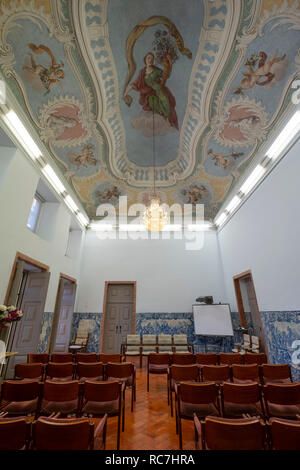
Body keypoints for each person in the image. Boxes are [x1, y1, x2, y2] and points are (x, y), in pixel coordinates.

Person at [128, 52, 178, 130]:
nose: (150, 60)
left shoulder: (156, 70)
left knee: (164, 100)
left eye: (152, 58)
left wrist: (170, 63)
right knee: (152, 103)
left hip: (159, 89)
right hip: (150, 93)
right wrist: (125, 93)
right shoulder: (142, 72)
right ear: (145, 60)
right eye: (148, 58)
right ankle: (164, 118)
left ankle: (168, 119)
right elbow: (135, 83)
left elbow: (166, 75)